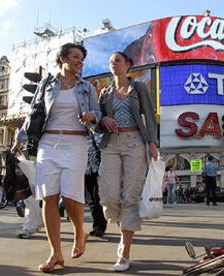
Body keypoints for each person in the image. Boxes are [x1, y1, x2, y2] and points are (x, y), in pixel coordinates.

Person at [11, 43, 101, 273]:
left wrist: (92, 116)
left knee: (71, 197)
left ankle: (79, 233)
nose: (80, 62)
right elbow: (34, 114)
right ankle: (55, 253)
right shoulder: (46, 84)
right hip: (48, 144)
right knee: (49, 197)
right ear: (62, 58)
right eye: (76, 57)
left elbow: (98, 117)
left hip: (75, 143)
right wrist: (20, 137)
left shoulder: (87, 88)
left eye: (82, 59)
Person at [97, 51, 158, 272]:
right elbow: (96, 121)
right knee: (109, 195)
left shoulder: (139, 88)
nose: (114, 64)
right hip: (111, 144)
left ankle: (125, 250)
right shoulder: (104, 92)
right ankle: (122, 222)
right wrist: (103, 119)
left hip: (135, 141)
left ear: (128, 65)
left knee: (131, 194)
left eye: (118, 61)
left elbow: (149, 116)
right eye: (111, 61)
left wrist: (152, 143)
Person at [85, 134, 107, 238]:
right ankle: (97, 225)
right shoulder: (80, 131)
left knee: (98, 198)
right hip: (85, 169)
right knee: (90, 200)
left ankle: (100, 227)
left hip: (99, 169)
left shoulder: (99, 131)